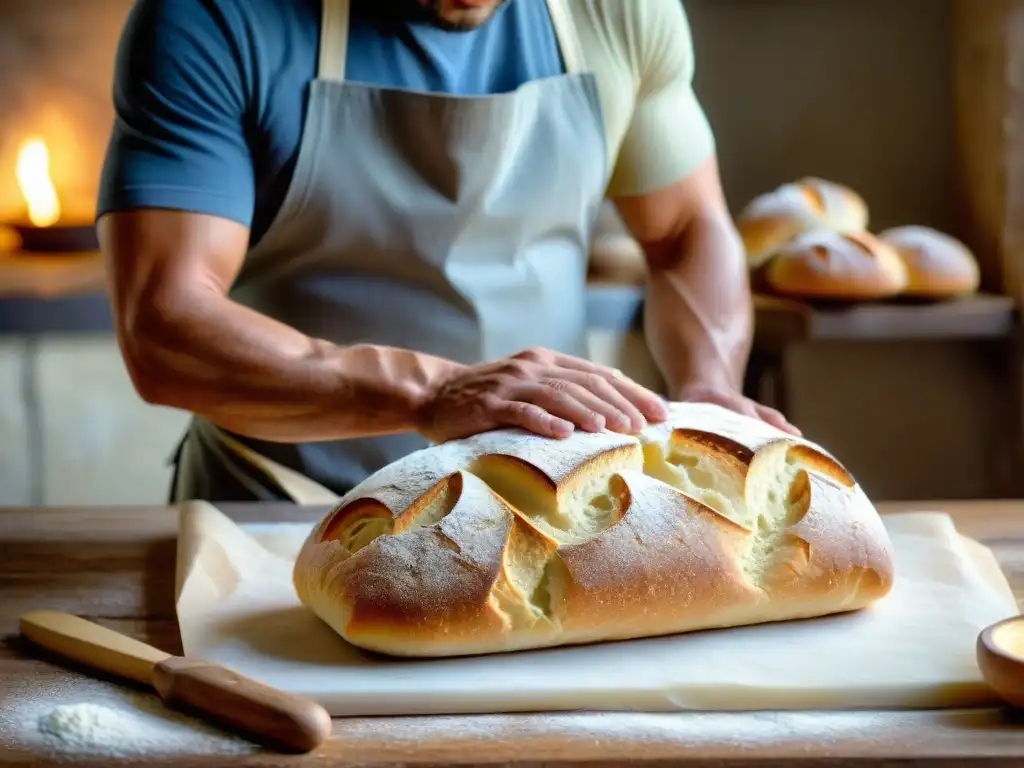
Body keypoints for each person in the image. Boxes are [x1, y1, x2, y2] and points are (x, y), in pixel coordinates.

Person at [97, 0, 798, 504]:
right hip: (274, 511)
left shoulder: (619, 13)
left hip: (545, 507)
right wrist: (429, 393)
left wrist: (706, 385)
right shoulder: (210, 18)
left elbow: (685, 231)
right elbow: (165, 324)